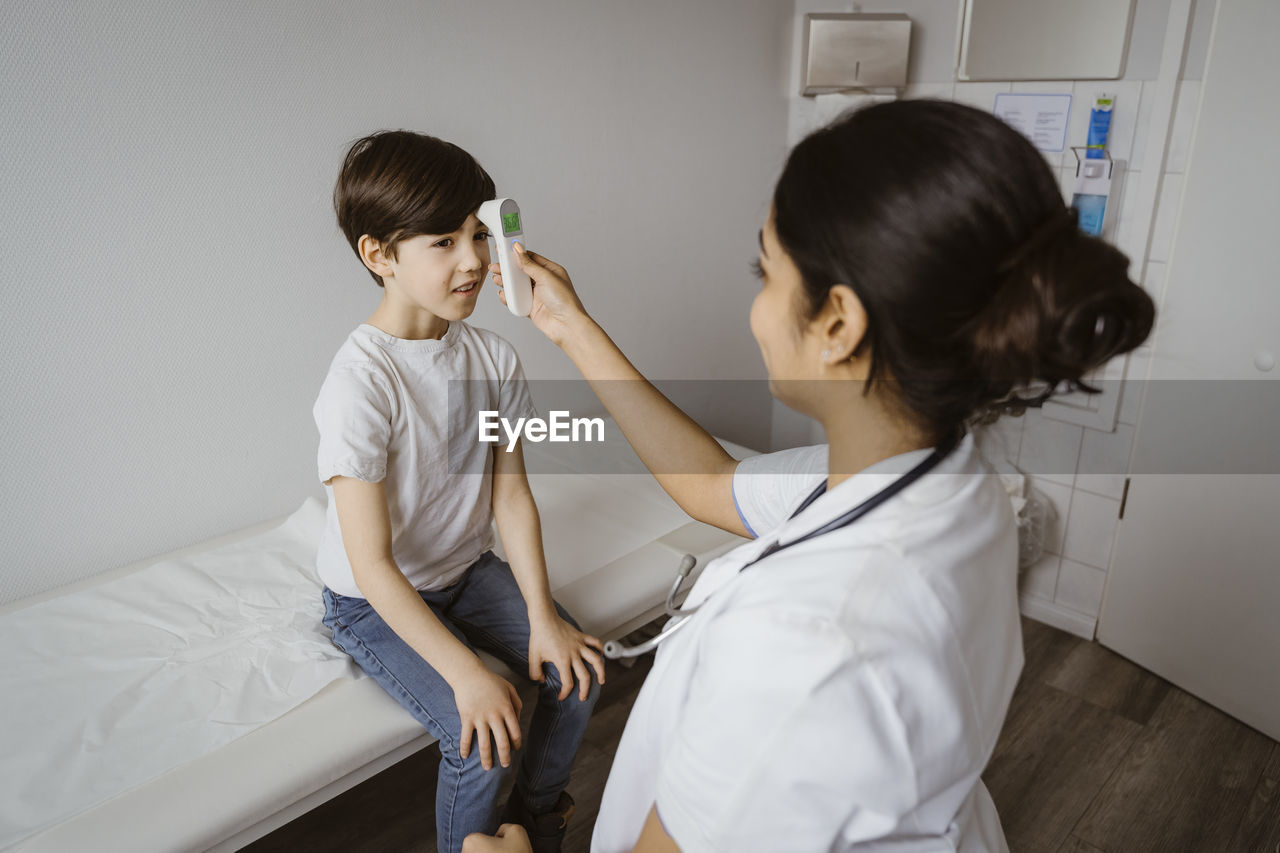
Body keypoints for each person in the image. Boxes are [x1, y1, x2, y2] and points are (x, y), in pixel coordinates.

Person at [463, 100, 1155, 853]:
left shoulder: (803, 645)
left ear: (837, 325)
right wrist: (572, 327)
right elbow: (710, 482)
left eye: (766, 271)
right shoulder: (950, 482)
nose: (756, 309)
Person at [312, 130, 604, 853]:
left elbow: (511, 499)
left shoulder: (491, 356)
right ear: (378, 255)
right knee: (482, 736)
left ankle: (536, 824)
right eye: (443, 241)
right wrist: (467, 673)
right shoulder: (362, 383)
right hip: (374, 599)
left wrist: (543, 617)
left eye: (477, 233)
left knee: (578, 673)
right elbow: (373, 564)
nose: (474, 258)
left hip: (464, 572)